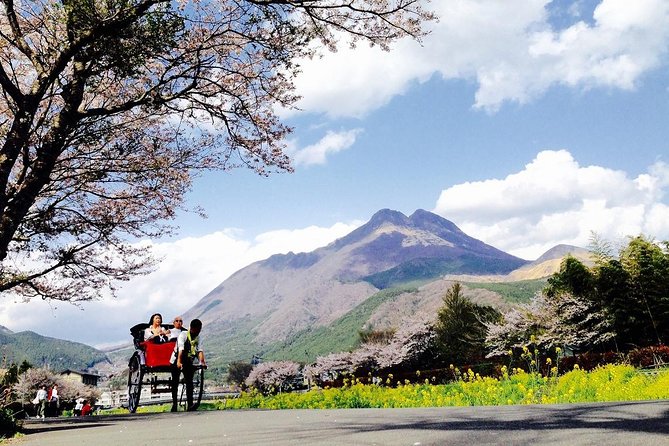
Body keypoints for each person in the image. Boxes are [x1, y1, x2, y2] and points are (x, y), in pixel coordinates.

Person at [170, 318, 206, 412]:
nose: (198, 332)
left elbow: (200, 350)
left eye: (199, 330)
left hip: (188, 360)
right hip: (177, 358)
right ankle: (174, 404)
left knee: (189, 381)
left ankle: (190, 404)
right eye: (197, 330)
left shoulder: (198, 337)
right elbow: (180, 349)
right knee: (175, 382)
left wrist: (202, 362)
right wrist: (178, 362)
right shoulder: (183, 335)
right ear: (192, 328)